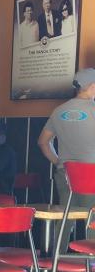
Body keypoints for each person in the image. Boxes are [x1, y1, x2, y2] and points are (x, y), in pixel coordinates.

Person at [39, 68, 95, 249]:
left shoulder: (59, 111)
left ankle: (55, 263)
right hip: (91, 177)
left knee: (65, 217)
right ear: (92, 86)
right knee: (92, 220)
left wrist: (58, 162)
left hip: (66, 174)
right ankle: (91, 267)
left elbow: (42, 142)